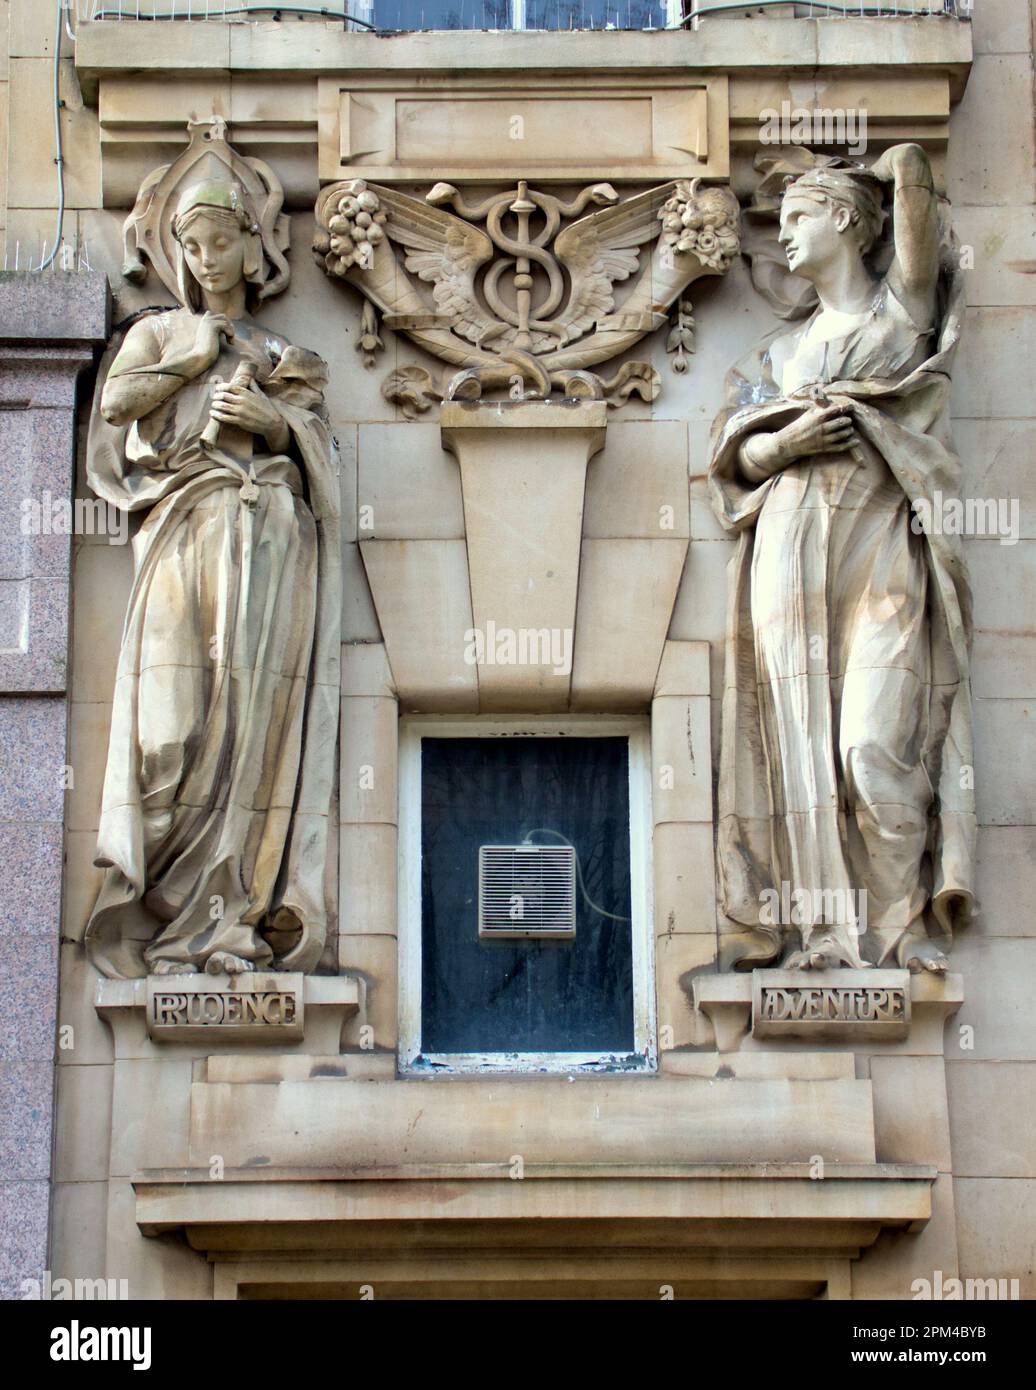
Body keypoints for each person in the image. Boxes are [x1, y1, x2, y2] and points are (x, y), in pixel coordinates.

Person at [709, 145, 974, 972]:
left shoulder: (899, 316)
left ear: (850, 221)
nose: (783, 235)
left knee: (868, 745)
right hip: (788, 545)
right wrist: (783, 442)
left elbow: (920, 213)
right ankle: (826, 934)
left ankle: (895, 926)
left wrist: (896, 157)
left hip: (879, 544)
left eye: (799, 216)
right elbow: (734, 459)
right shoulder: (778, 357)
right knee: (798, 743)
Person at [84, 177, 340, 978]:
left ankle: (221, 923)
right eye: (191, 245)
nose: (206, 258)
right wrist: (189, 361)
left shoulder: (277, 355)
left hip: (264, 534)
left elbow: (323, 464)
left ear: (249, 244)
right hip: (180, 530)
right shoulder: (158, 332)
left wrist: (275, 426)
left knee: (249, 729)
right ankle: (164, 896)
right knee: (168, 733)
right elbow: (117, 405)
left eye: (221, 240)